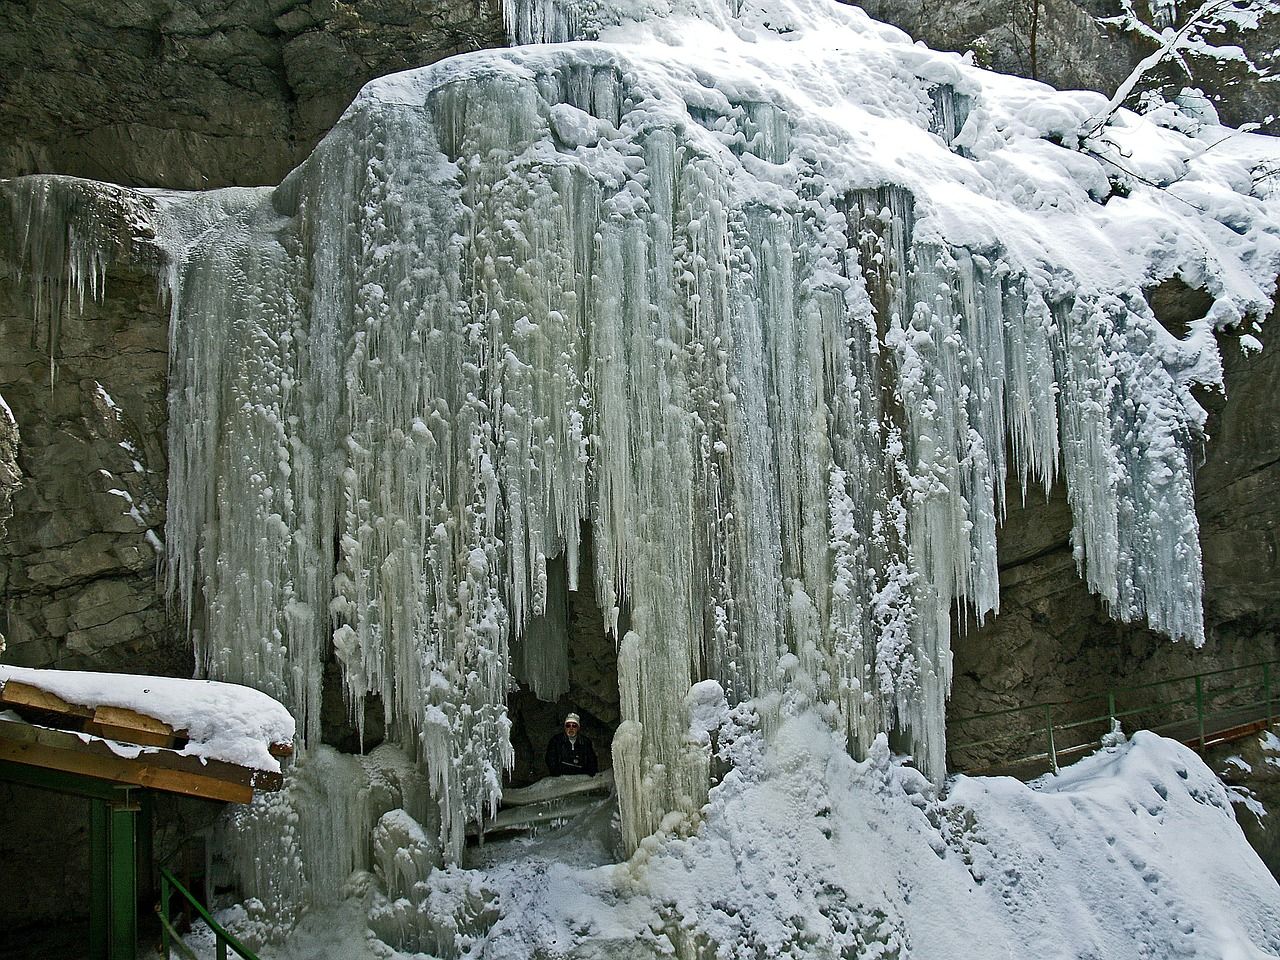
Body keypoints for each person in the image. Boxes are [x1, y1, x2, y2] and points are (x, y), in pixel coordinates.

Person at [545, 712, 598, 776]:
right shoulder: (556, 741)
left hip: (581, 778)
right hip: (561, 778)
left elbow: (592, 761)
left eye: (574, 726)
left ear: (578, 728)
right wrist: (557, 774)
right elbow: (550, 760)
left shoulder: (585, 742)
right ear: (565, 728)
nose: (571, 728)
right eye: (568, 725)